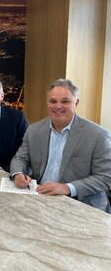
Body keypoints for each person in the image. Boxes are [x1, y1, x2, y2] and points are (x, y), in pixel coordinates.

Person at [10, 79, 111, 212]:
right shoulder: (34, 130)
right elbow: (20, 158)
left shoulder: (98, 135)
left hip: (82, 205)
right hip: (40, 197)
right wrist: (17, 174)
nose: (58, 106)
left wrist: (68, 188)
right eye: (53, 101)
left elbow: (105, 178)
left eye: (65, 101)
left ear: (76, 103)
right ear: (47, 103)